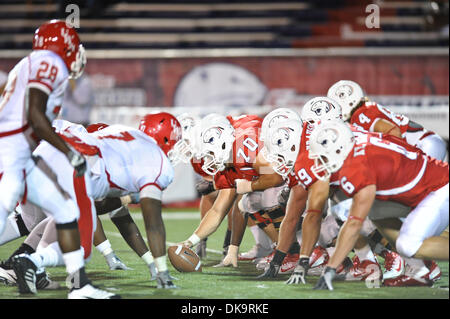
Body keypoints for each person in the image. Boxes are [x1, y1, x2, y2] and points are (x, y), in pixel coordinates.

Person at [0, 19, 118, 299]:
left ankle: (80, 287)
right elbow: (36, 117)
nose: (76, 53)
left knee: (66, 210)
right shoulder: (49, 63)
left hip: (19, 152)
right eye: (72, 46)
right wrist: (68, 152)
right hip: (11, 154)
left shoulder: (34, 62)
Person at [310, 120, 448, 290]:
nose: (320, 162)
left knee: (409, 244)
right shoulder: (355, 136)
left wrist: (330, 270)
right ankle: (420, 271)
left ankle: (422, 267)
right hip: (427, 183)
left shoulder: (357, 168)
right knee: (376, 210)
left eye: (324, 156)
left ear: (339, 149)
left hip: (438, 189)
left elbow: (354, 224)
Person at [54, 112, 182, 289]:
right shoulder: (154, 161)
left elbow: (117, 215)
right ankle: (74, 287)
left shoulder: (124, 135)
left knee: (34, 220)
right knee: (79, 244)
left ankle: (26, 260)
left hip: (53, 153)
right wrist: (161, 270)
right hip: (74, 165)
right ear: (165, 139)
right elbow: (153, 222)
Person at [327, 80, 447, 161]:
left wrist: (397, 161)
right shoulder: (365, 110)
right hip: (426, 144)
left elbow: (393, 132)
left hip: (423, 146)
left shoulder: (360, 115)